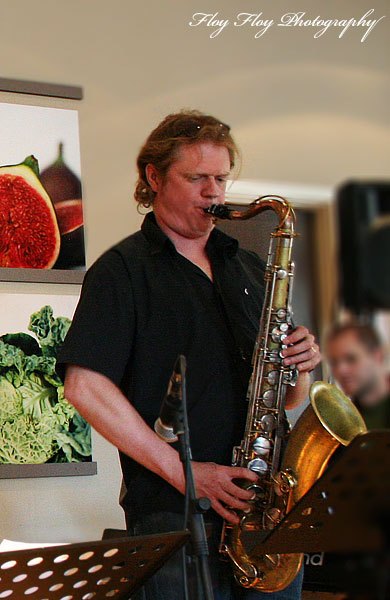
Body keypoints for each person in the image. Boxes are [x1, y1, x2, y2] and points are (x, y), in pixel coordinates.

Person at [58, 110, 321, 600]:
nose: (213, 192)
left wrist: (300, 366)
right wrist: (185, 472)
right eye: (196, 178)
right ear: (153, 177)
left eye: (220, 178)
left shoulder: (247, 266)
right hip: (175, 519)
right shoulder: (122, 271)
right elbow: (85, 387)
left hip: (266, 518)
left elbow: (283, 401)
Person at [325, 321, 390, 429]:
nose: (341, 370)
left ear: (378, 356)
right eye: (334, 363)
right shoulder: (342, 421)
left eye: (351, 359)